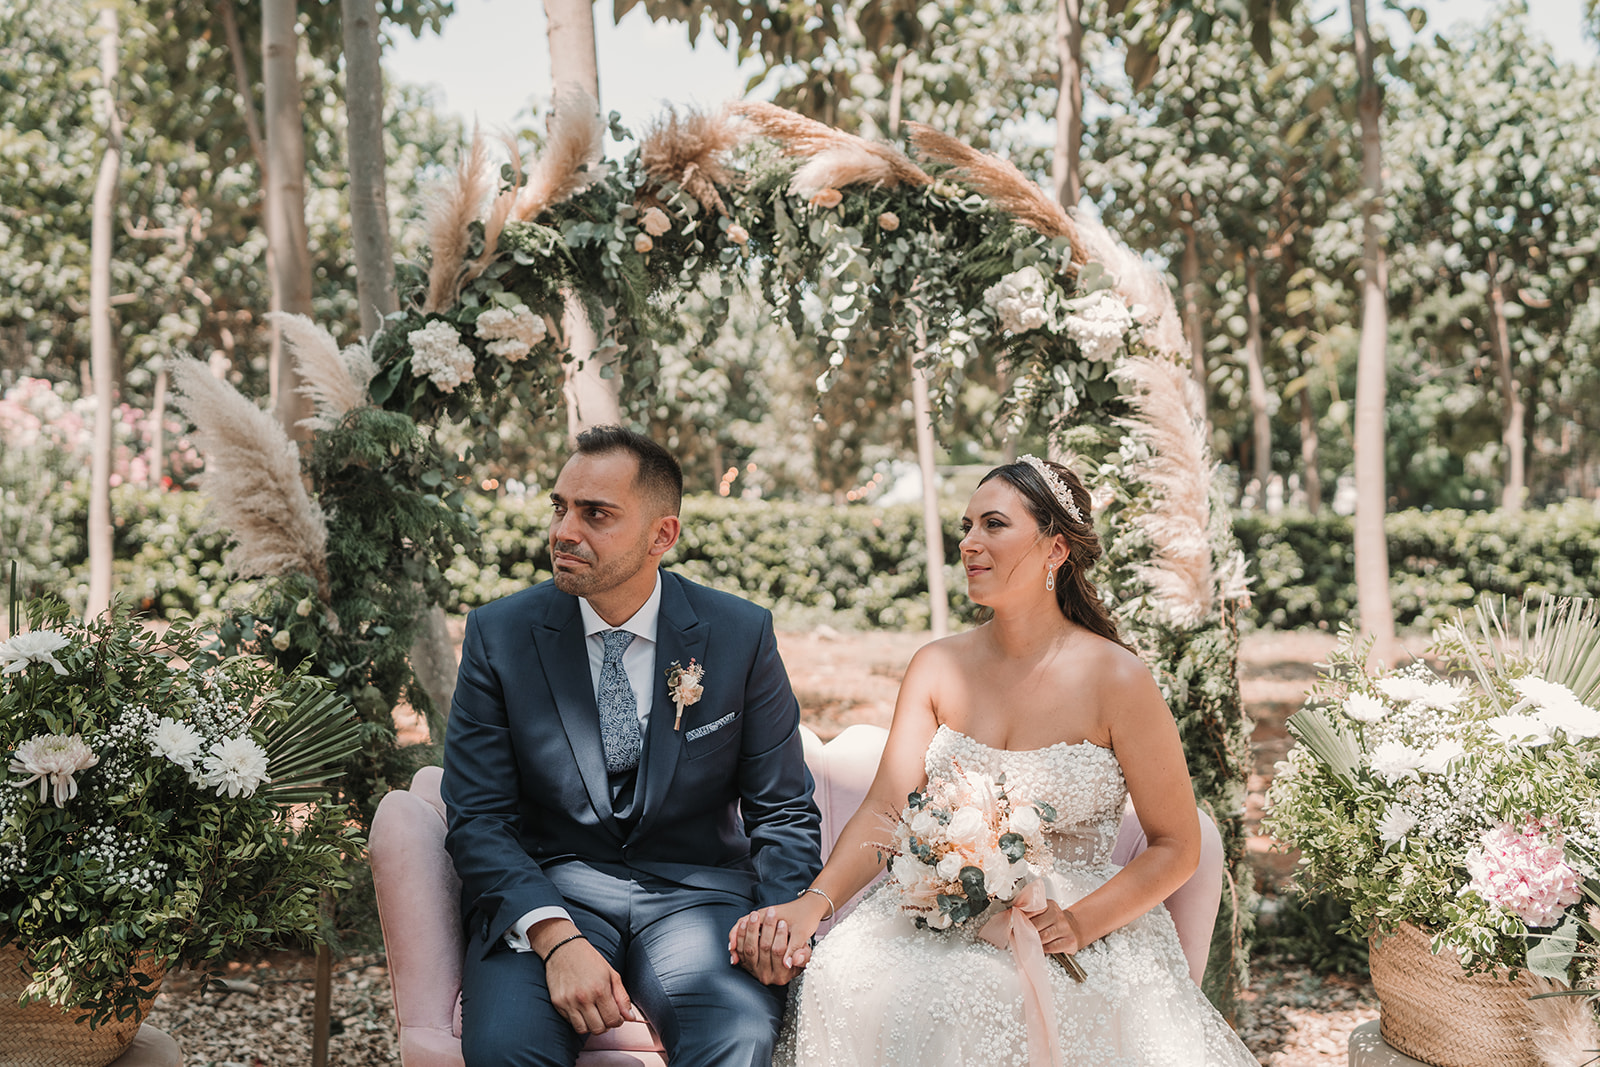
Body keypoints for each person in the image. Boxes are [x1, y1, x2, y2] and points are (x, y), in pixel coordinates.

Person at [733, 456, 1257, 1066]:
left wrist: (1082, 924)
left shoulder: (1118, 679)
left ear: (1055, 548)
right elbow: (885, 809)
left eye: (993, 525)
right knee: (848, 973)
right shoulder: (935, 666)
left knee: (986, 995)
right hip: (941, 910)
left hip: (1073, 925)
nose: (969, 543)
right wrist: (813, 903)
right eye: (966, 526)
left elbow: (1177, 844)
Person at [442, 426, 823, 1067]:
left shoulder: (739, 635)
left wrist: (780, 920)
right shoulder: (498, 636)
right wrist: (555, 938)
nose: (565, 530)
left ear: (661, 536)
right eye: (560, 507)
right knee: (507, 1050)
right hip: (551, 890)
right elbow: (478, 820)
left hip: (697, 900)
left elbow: (782, 807)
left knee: (739, 1040)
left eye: (596, 514)